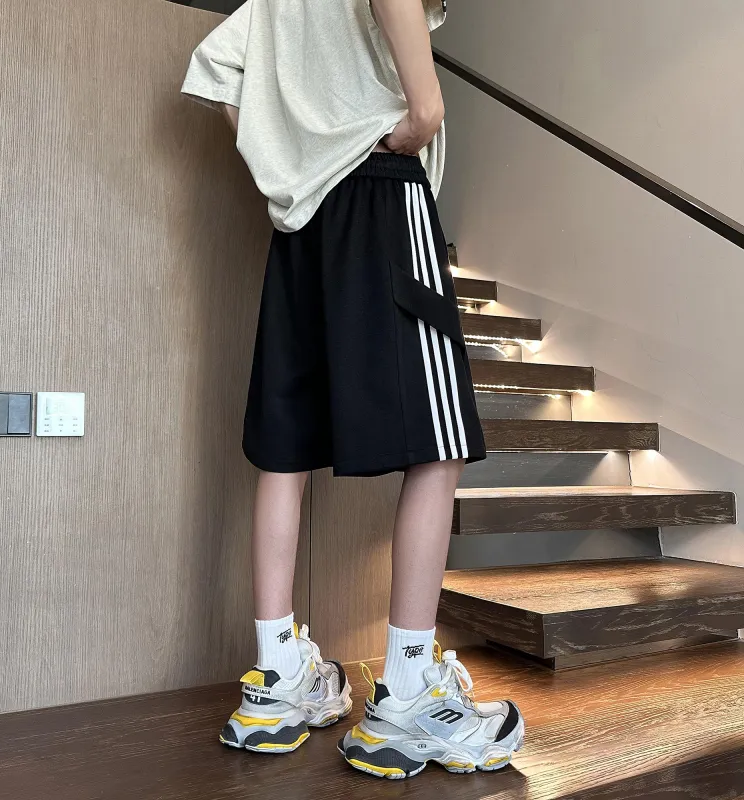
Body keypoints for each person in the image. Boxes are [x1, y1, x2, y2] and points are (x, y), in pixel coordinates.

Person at [181, 0, 524, 779]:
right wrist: (425, 110)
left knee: (286, 448)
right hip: (380, 193)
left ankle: (277, 680)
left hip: (304, 217)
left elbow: (215, 63)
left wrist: (291, 162)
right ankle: (408, 697)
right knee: (438, 444)